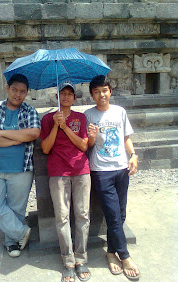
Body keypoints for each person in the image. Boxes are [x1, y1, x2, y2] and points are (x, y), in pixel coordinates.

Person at [0, 74, 41, 258]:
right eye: (15, 90)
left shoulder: (29, 112)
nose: (18, 94)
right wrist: (15, 140)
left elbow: (34, 133)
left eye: (22, 91)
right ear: (7, 88)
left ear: (26, 93)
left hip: (21, 170)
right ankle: (21, 232)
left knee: (17, 208)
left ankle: (12, 242)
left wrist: (1, 134)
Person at [84, 75, 140, 281]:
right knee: (113, 214)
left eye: (104, 90)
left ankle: (110, 252)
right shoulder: (88, 115)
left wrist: (133, 155)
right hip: (100, 170)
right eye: (97, 91)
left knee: (121, 212)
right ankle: (124, 256)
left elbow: (126, 137)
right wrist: (91, 135)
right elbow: (88, 145)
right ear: (92, 95)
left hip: (121, 168)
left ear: (110, 91)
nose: (101, 95)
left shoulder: (120, 112)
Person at [40, 82, 91, 282]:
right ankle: (68, 261)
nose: (67, 97)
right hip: (58, 171)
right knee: (62, 217)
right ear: (57, 97)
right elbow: (45, 148)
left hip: (80, 170)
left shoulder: (80, 117)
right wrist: (55, 125)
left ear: (75, 99)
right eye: (63, 94)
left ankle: (81, 258)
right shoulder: (46, 118)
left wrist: (65, 127)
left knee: (82, 214)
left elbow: (84, 145)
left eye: (70, 94)